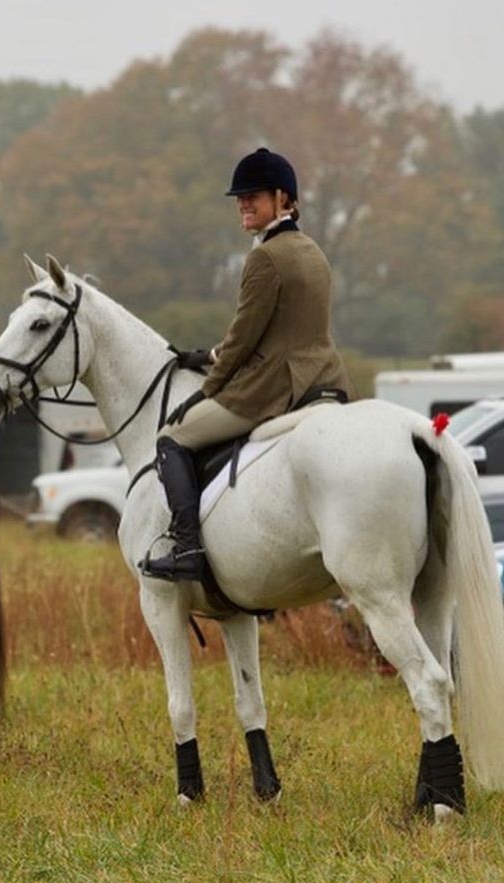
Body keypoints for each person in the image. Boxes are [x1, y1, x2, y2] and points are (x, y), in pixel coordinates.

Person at [142, 147, 354, 582]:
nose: (242, 203)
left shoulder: (265, 258)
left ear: (284, 199)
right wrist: (206, 355)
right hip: (326, 380)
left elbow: (243, 340)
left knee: (172, 438)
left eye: (253, 196)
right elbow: (279, 331)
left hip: (273, 389)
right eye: (239, 197)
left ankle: (189, 548)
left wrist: (207, 389)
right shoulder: (313, 251)